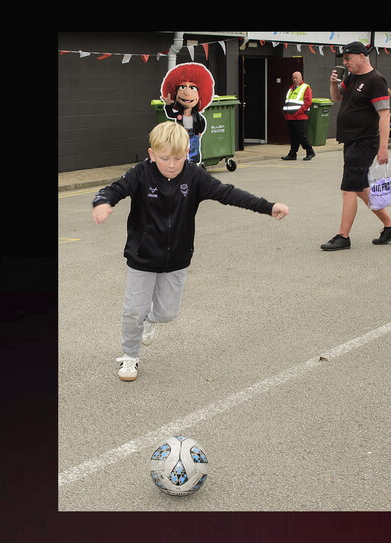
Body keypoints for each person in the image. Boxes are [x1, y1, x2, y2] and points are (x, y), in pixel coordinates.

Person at [91, 121, 290, 381]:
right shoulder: (141, 173)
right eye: (164, 158)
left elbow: (228, 193)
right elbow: (114, 189)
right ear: (152, 154)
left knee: (166, 313)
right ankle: (130, 357)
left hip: (177, 258)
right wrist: (102, 202)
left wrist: (268, 206)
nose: (172, 164)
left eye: (178, 157)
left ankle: (148, 321)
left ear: (187, 153)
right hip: (142, 256)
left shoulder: (194, 176)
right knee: (133, 310)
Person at [320, 41, 391, 251]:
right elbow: (336, 97)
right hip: (351, 140)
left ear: (361, 56)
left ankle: (343, 236)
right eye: (344, 59)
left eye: (348, 58)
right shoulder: (352, 77)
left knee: (348, 189)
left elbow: (384, 116)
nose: (345, 62)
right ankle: (390, 226)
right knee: (360, 188)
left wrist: (383, 148)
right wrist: (333, 83)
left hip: (364, 142)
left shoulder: (375, 80)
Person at [160, 62, 214, 165]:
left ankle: (193, 163)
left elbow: (201, 121)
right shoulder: (179, 114)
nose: (187, 93)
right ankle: (182, 162)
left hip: (193, 133)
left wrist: (199, 132)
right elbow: (170, 114)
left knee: (194, 147)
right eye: (182, 87)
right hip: (181, 134)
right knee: (180, 147)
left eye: (192, 88)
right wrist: (168, 105)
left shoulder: (196, 115)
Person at [281, 71, 316, 161]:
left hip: (300, 116)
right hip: (290, 117)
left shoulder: (305, 87)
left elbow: (308, 102)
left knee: (301, 135)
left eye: (296, 77)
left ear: (301, 78)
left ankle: (310, 152)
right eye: (293, 78)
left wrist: (299, 112)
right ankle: (292, 154)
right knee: (293, 136)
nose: (294, 79)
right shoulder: (291, 88)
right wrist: (286, 114)